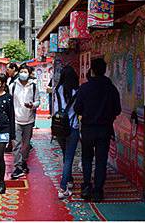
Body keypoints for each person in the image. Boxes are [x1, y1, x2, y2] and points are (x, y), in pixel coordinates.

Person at [74, 58, 121, 202]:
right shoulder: (111, 88)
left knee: (87, 158)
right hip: (104, 130)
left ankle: (87, 187)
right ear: (105, 70)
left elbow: (77, 108)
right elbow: (117, 109)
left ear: (92, 70)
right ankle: (98, 191)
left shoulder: (85, 88)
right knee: (101, 160)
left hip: (88, 129)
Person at [52, 66, 80, 199]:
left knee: (65, 155)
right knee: (69, 158)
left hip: (59, 127)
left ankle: (69, 180)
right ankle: (63, 187)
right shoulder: (77, 91)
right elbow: (79, 109)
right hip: (72, 127)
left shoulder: (57, 89)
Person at [10, 64, 40, 179]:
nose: (23, 73)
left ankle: (23, 162)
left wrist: (32, 105)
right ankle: (17, 166)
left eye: (25, 72)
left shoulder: (33, 86)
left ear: (29, 74)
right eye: (21, 71)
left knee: (26, 145)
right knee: (16, 144)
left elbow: (37, 101)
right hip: (16, 120)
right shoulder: (13, 85)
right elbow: (9, 101)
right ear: (19, 72)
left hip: (29, 120)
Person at [4, 62, 19, 153]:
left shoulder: (17, 80)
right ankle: (10, 144)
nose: (7, 71)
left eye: (8, 69)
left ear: (13, 68)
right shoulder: (12, 79)